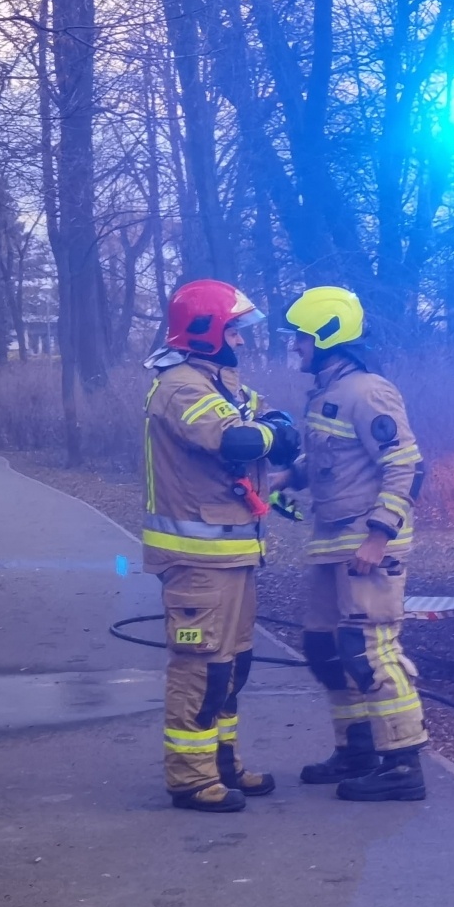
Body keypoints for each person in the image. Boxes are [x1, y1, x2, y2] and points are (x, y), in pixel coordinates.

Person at [142, 279, 300, 812]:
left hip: (233, 554)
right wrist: (269, 431)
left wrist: (271, 429)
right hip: (197, 561)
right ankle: (190, 777)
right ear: (209, 332)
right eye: (235, 329)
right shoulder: (182, 387)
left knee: (234, 664)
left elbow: (277, 429)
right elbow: (237, 440)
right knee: (200, 666)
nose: (244, 340)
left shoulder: (221, 384)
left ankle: (222, 762)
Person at [280, 287, 430, 802]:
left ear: (325, 335)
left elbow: (405, 464)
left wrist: (379, 534)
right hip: (330, 541)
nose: (294, 345)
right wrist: (285, 479)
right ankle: (358, 747)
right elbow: (333, 458)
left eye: (300, 336)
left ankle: (402, 762)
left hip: (366, 545)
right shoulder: (328, 393)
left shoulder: (369, 392)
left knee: (368, 650)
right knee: (325, 648)